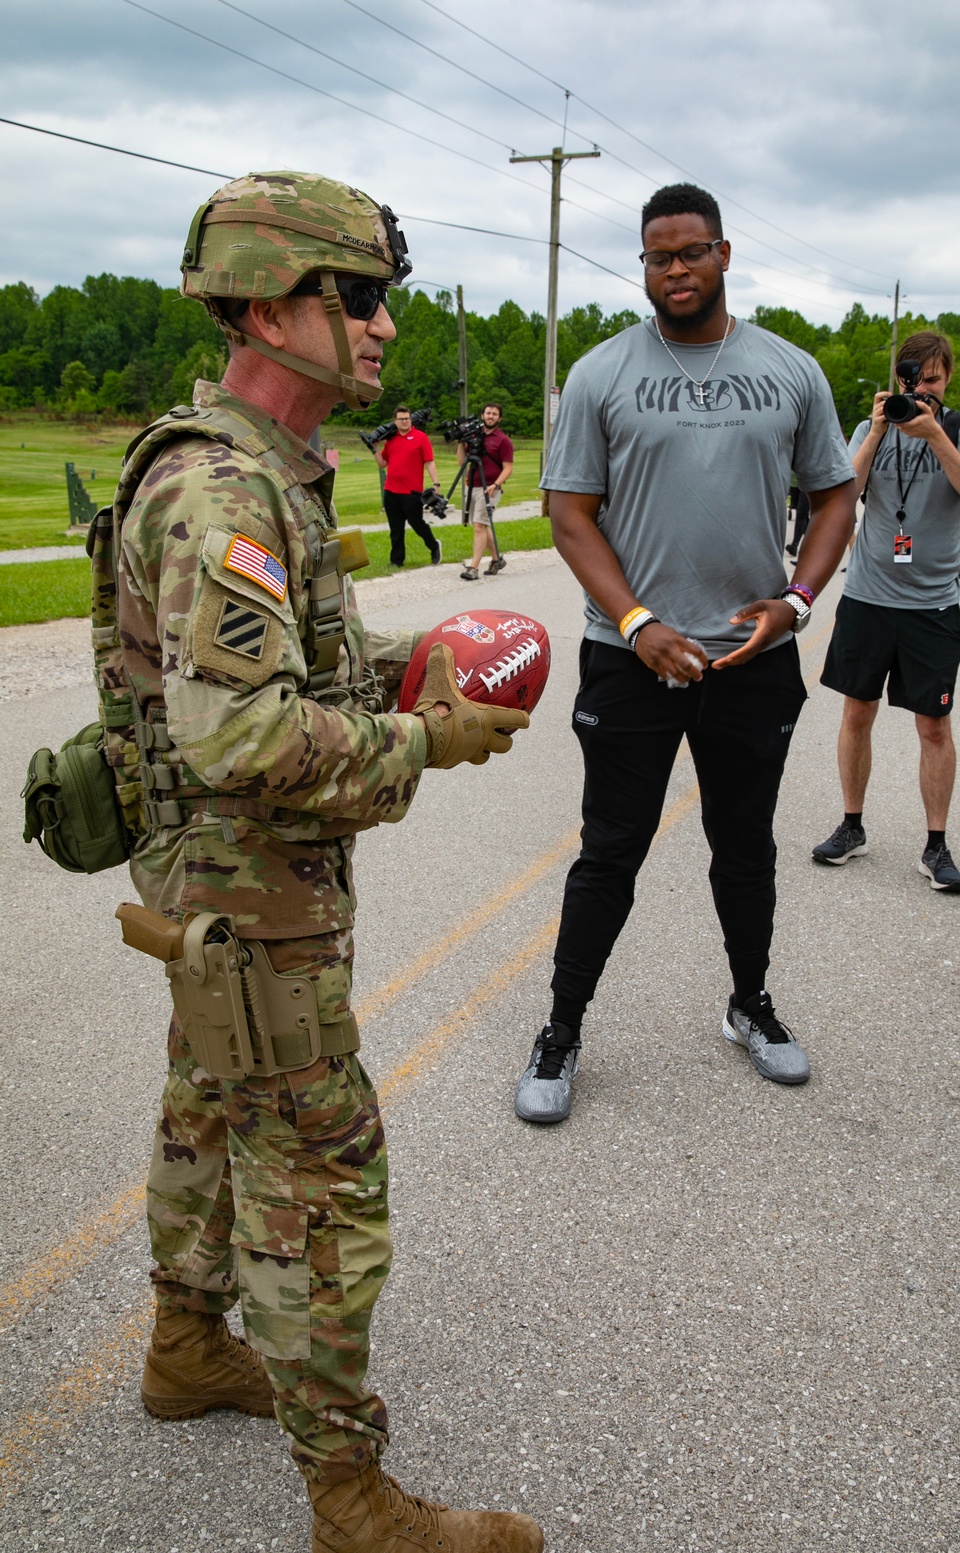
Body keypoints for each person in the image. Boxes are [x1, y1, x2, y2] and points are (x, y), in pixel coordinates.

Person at [105, 171, 537, 1553]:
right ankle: (352, 1503)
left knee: (206, 1111)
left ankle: (187, 1347)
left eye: (382, 297)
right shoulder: (223, 485)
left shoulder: (261, 470)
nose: (383, 326)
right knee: (322, 1168)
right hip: (254, 902)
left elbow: (265, 690)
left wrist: (386, 684)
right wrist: (424, 738)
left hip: (226, 897)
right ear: (265, 299)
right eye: (357, 297)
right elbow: (238, 736)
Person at [513, 181, 857, 1125]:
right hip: (631, 657)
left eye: (691, 251)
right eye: (658, 256)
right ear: (644, 265)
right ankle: (561, 1030)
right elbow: (569, 515)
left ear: (723, 254)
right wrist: (636, 623)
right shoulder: (601, 375)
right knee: (609, 852)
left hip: (751, 656)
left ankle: (750, 1003)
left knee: (744, 848)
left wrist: (795, 600)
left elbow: (834, 495)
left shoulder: (789, 369)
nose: (675, 269)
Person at [812, 331, 960, 891]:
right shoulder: (873, 426)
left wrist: (934, 432)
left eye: (934, 381)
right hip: (868, 596)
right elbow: (845, 490)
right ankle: (851, 826)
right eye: (915, 381)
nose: (923, 390)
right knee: (856, 714)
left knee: (933, 725)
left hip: (932, 604)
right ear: (900, 380)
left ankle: (936, 846)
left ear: (947, 380)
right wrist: (879, 428)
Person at [375, 404, 443, 568]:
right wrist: (374, 449)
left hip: (412, 492)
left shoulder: (420, 437)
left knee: (417, 524)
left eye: (407, 418)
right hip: (391, 491)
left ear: (411, 420)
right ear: (395, 421)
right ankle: (396, 560)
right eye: (401, 419)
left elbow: (429, 462)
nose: (404, 421)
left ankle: (434, 546)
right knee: (396, 529)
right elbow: (382, 463)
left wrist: (436, 484)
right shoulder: (391, 440)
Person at [459, 402, 514, 580]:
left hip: (489, 488)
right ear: (482, 415)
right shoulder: (474, 436)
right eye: (488, 413)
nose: (491, 416)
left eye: (494, 414)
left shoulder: (503, 440)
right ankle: (497, 560)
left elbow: (508, 468)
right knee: (481, 524)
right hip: (471, 485)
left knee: (479, 526)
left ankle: (473, 567)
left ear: (500, 418)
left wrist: (496, 485)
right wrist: (461, 442)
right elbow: (461, 462)